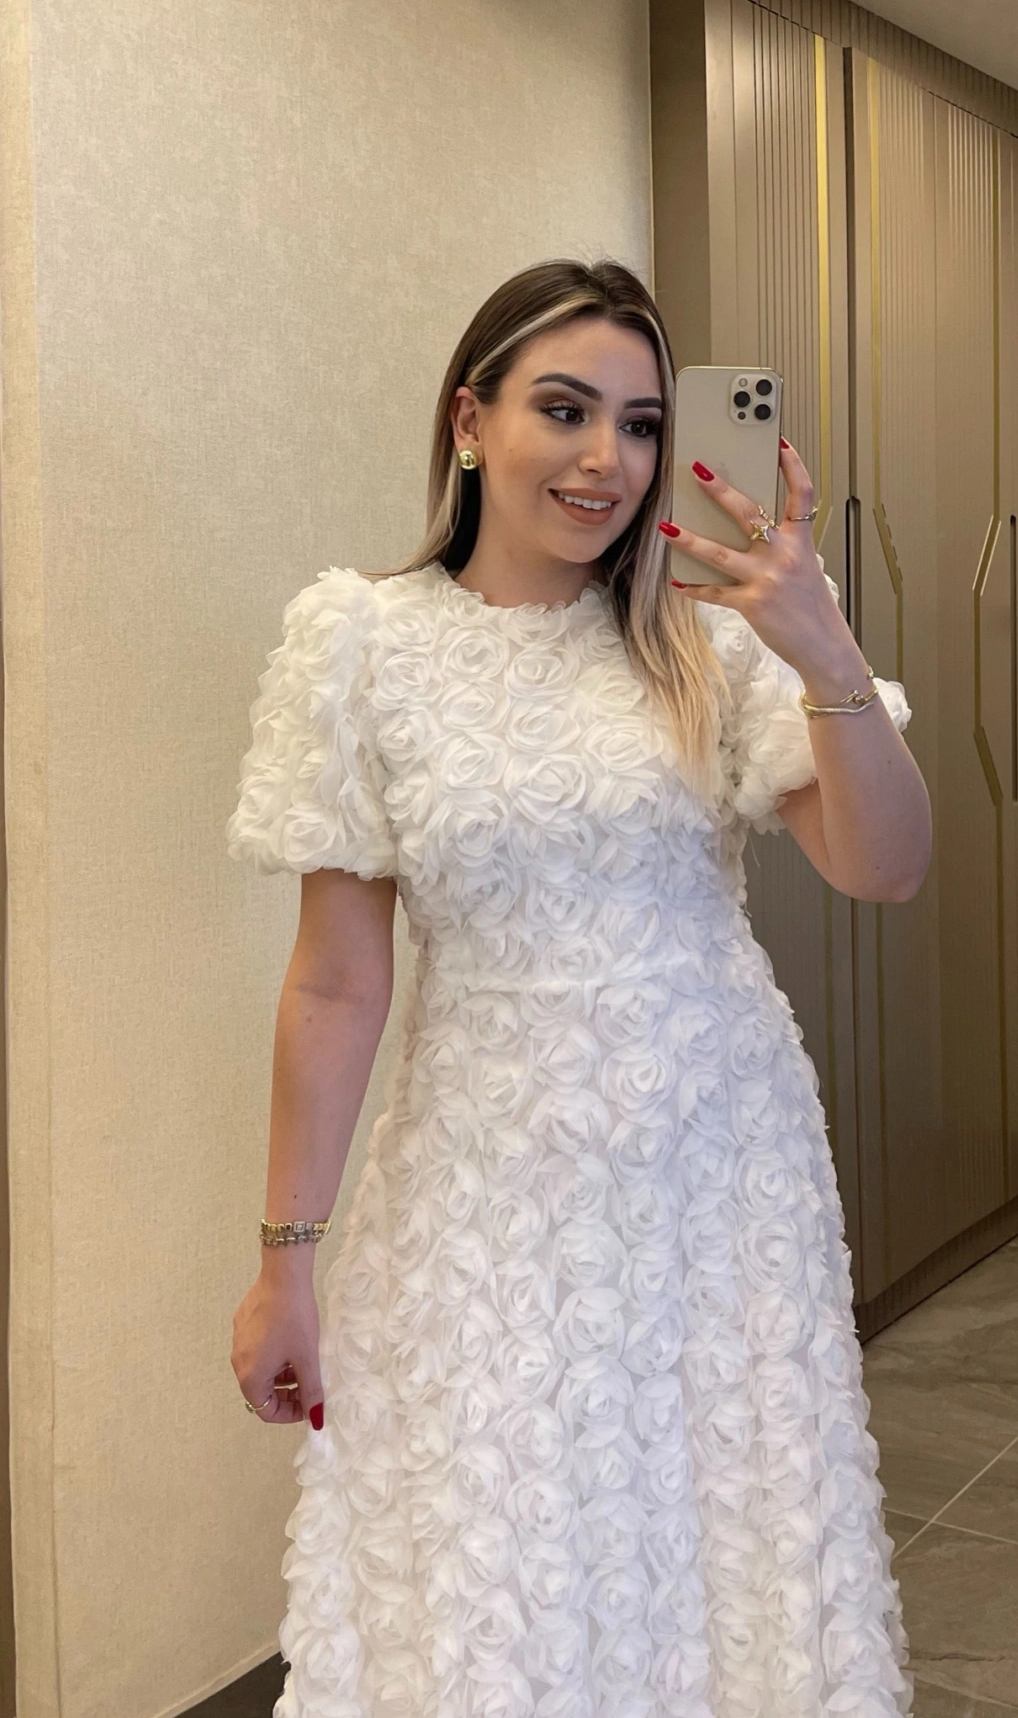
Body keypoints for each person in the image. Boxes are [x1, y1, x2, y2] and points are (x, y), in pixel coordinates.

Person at [226, 257, 929, 1718]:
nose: (608, 456)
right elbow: (338, 985)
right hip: (480, 1187)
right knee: (497, 1552)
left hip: (716, 1174)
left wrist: (820, 643)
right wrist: (286, 1255)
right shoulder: (361, 641)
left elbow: (887, 866)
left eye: (643, 422)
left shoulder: (707, 633)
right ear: (469, 420)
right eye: (565, 409)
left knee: (728, 1542)